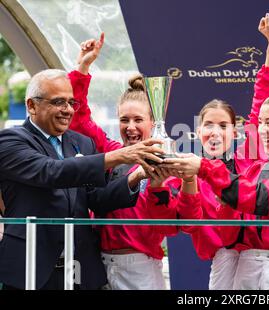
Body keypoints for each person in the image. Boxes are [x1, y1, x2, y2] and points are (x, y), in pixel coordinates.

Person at [0, 68, 164, 290]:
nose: (67, 110)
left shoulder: (81, 143)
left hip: (80, 271)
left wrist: (136, 176)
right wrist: (118, 156)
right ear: (31, 105)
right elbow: (51, 172)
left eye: (71, 103)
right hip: (30, 270)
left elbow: (95, 198)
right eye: (58, 102)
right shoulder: (11, 141)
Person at [163, 63, 269, 290]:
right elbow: (229, 234)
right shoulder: (254, 170)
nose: (262, 130)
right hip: (246, 265)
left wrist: (208, 172)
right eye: (260, 123)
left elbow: (263, 199)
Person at [68, 33, 202, 290]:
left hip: (141, 267)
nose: (130, 127)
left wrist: (168, 184)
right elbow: (79, 118)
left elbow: (182, 223)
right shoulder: (111, 151)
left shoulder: (168, 161)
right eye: (124, 120)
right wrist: (83, 68)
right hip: (98, 265)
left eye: (138, 120)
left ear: (154, 122)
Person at [178, 13, 269, 290]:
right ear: (197, 132)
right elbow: (189, 224)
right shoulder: (190, 170)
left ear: (234, 132)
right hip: (223, 255)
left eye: (223, 125)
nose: (215, 132)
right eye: (208, 125)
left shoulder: (250, 149)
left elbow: (266, 91)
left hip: (260, 251)